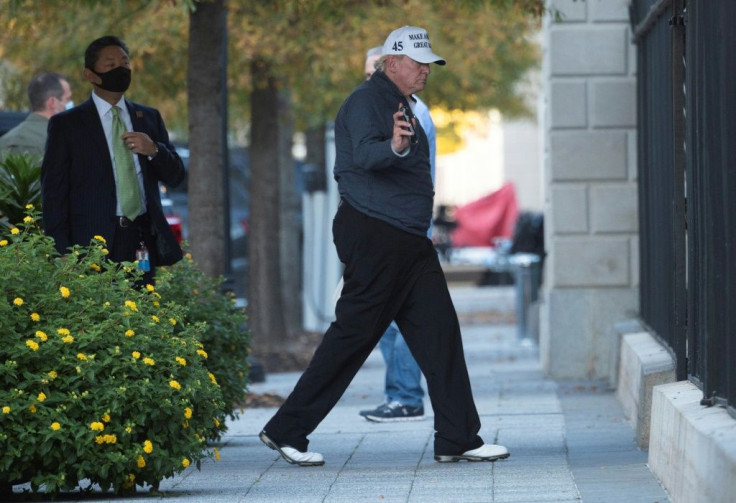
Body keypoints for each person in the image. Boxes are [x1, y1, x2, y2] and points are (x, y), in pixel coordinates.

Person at [260, 25, 510, 467]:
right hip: (377, 234)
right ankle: (285, 430)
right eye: (417, 63)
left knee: (440, 334)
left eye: (428, 64)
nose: (425, 71)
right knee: (353, 336)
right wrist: (394, 146)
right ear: (391, 62)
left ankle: (457, 437)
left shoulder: (404, 104)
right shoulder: (365, 101)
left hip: (407, 239)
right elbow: (364, 156)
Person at [41, 36, 185, 285]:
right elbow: (53, 192)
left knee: (141, 315)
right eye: (110, 65)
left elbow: (176, 176)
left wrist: (153, 150)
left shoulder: (148, 118)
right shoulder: (67, 124)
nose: (121, 69)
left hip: (140, 238)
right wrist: (61, 250)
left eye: (125, 62)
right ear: (91, 75)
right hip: (90, 246)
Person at [357, 45, 436, 423]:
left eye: (375, 70)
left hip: (400, 227)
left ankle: (405, 395)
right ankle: (402, 394)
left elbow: (413, 174)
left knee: (400, 315)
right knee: (390, 316)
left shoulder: (412, 114)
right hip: (384, 226)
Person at [0, 72, 72, 161]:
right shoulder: (61, 142)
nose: (70, 104)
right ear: (52, 102)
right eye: (67, 99)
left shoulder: (4, 141)